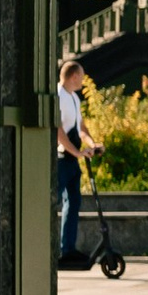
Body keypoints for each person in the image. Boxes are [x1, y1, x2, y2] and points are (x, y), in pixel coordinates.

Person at [53, 56, 94, 267]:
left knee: (74, 202)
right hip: (60, 159)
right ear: (74, 76)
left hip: (71, 160)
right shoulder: (57, 95)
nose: (83, 80)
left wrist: (93, 144)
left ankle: (67, 249)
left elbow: (81, 127)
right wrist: (76, 152)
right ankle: (53, 250)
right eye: (82, 76)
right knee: (54, 202)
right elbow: (58, 130)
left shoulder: (75, 98)